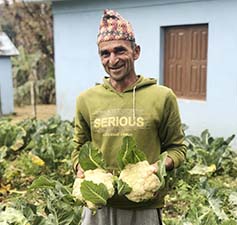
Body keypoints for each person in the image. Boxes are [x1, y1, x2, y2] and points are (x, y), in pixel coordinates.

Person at [72, 9, 186, 225]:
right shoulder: (86, 99)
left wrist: (156, 168)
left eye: (119, 51)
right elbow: (79, 148)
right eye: (105, 53)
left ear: (136, 52)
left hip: (143, 207)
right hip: (99, 207)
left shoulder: (161, 96)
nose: (112, 60)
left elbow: (177, 149)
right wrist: (80, 169)